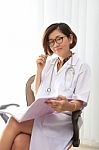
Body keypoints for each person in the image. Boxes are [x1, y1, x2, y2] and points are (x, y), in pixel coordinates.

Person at [0, 22, 91, 150]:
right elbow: (38, 94)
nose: (55, 44)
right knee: (20, 141)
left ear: (70, 38)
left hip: (62, 122)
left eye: (59, 39)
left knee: (14, 122)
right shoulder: (49, 64)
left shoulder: (82, 67)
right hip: (44, 117)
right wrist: (39, 70)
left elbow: (80, 101)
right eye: (51, 41)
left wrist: (67, 105)